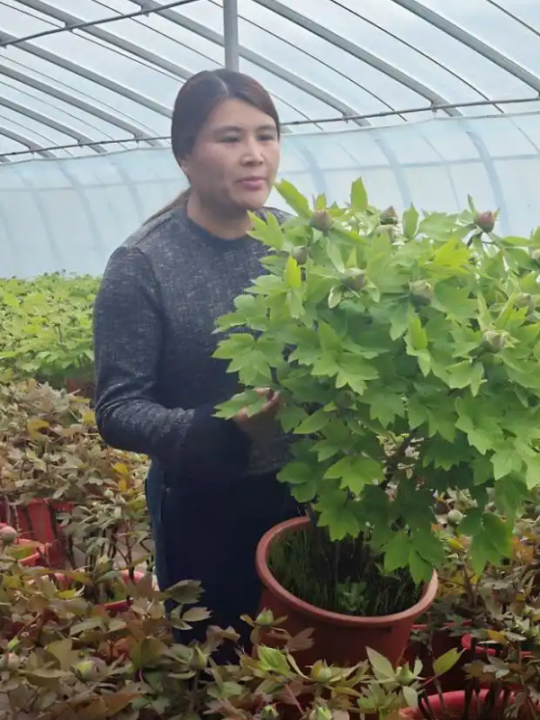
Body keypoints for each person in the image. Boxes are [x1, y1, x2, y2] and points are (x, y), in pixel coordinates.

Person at [92, 69, 303, 649]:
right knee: (219, 667)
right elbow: (117, 408)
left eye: (266, 135)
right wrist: (216, 427)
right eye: (230, 138)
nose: (254, 155)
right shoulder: (144, 264)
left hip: (307, 493)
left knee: (306, 670)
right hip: (204, 506)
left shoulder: (302, 244)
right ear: (184, 155)